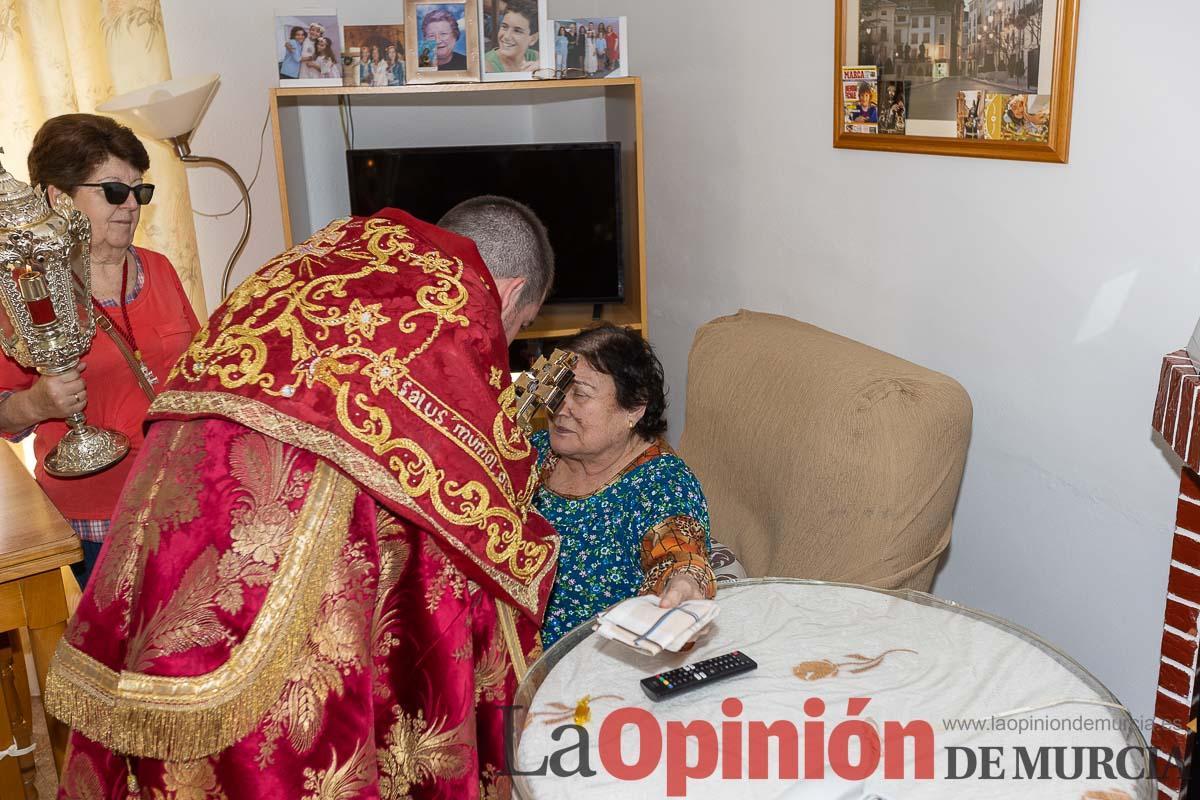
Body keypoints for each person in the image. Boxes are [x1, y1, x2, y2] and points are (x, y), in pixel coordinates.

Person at [46, 197, 559, 798]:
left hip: (164, 519)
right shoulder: (455, 302)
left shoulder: (337, 249)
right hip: (271, 554)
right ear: (509, 292)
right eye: (516, 327)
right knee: (281, 743)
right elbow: (477, 496)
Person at [0, 114, 200, 589]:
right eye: (113, 191)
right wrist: (39, 403)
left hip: (182, 501)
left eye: (139, 191)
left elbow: (198, 371)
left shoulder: (159, 267)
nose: (131, 205)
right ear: (58, 198)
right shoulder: (26, 290)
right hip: (97, 524)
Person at [531, 324, 715, 647]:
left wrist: (684, 585)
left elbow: (678, 553)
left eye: (580, 394)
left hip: (592, 661)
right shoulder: (536, 452)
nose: (560, 407)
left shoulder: (660, 483)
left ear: (634, 408)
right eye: (557, 388)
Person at [484, 0, 540, 73]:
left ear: (533, 39)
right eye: (504, 27)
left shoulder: (535, 57)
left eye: (517, 31)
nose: (507, 36)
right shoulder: (487, 67)